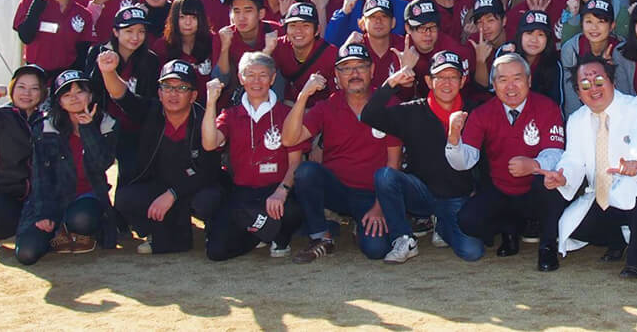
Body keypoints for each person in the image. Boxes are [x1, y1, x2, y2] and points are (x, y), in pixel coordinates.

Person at [540, 55, 637, 279]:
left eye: (599, 81)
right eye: (585, 85)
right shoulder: (576, 119)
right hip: (601, 193)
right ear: (579, 94)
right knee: (572, 226)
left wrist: (635, 160)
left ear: (612, 83)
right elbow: (573, 159)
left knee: (635, 189)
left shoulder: (636, 105)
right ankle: (617, 240)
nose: (594, 89)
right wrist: (562, 176)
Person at [281, 43, 405, 262]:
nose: (354, 73)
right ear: (337, 76)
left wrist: (379, 207)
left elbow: (393, 163)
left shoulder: (389, 104)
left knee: (376, 250)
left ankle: (361, 225)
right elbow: (290, 138)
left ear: (372, 70)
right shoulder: (327, 106)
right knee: (306, 171)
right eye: (346, 68)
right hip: (337, 190)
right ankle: (321, 237)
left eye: (361, 66)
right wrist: (303, 97)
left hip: (372, 193)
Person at [361, 50, 485, 263]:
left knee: (472, 252)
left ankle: (442, 225)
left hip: (457, 198)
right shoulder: (412, 111)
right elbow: (369, 115)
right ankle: (403, 238)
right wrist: (393, 82)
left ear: (463, 81)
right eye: (440, 77)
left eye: (453, 77)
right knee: (385, 176)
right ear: (428, 81)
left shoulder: (475, 112)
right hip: (420, 192)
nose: (447, 83)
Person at [447, 54, 567, 271]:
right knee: (468, 220)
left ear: (529, 81)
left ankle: (547, 245)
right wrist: (454, 139)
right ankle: (509, 230)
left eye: (517, 78)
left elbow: (556, 152)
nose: (510, 86)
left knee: (550, 183)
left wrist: (533, 165)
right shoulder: (483, 113)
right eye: (502, 80)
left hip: (535, 188)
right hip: (501, 187)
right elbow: (464, 162)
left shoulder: (547, 107)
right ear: (494, 84)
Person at [202, 53, 307, 261]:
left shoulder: (286, 113)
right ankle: (261, 232)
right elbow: (209, 143)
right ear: (241, 78)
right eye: (250, 75)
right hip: (243, 193)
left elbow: (296, 162)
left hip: (276, 190)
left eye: (262, 75)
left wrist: (281, 191)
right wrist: (211, 103)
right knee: (216, 252)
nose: (256, 81)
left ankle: (277, 234)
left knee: (292, 210)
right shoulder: (231, 115)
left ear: (273, 78)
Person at [114, 59, 221, 255]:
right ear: (159, 92)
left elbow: (209, 171)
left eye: (181, 88)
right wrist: (107, 71)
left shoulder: (203, 119)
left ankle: (204, 231)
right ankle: (160, 232)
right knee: (125, 199)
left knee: (207, 202)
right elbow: (123, 97)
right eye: (167, 87)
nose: (173, 94)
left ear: (193, 95)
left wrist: (173, 194)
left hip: (194, 185)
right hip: (159, 184)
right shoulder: (150, 111)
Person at [15, 70, 117, 264]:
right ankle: (59, 232)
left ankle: (75, 231)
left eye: (79, 92)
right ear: (59, 102)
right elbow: (39, 175)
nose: (74, 98)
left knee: (81, 220)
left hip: (87, 195)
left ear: (90, 95)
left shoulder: (106, 124)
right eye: (66, 95)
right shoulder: (46, 127)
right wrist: (43, 213)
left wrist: (87, 129)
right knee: (26, 254)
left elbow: (103, 163)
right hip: (51, 198)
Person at [86, 4, 160, 183]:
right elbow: (91, 92)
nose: (135, 37)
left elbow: (147, 104)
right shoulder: (98, 53)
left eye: (141, 31)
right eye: (129, 31)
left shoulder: (150, 60)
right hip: (103, 126)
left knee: (130, 178)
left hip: (134, 131)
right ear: (116, 32)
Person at [13, 0, 97, 77]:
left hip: (64, 80)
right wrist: (38, 2)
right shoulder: (29, 3)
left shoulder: (84, 15)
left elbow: (81, 55)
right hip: (34, 76)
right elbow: (26, 36)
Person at [388, 0, 475, 102]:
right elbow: (402, 100)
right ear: (407, 28)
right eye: (421, 28)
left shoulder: (454, 50)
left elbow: (465, 95)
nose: (428, 34)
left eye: (432, 27)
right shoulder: (401, 51)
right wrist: (406, 75)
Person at [0, 65, 46, 240]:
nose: (27, 93)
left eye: (34, 88)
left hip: (39, 198)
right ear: (12, 88)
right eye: (21, 87)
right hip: (5, 193)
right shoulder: (1, 116)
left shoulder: (48, 120)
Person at [561, 0, 626, 117]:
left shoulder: (622, 50)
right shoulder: (572, 48)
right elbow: (571, 96)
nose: (594, 28)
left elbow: (628, 93)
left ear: (612, 25)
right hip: (583, 114)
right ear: (582, 24)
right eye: (589, 22)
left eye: (601, 22)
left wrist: (611, 70)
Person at [215, 0, 278, 106]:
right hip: (233, 104)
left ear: (261, 13)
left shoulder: (275, 31)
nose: (241, 17)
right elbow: (220, 81)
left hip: (271, 102)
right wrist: (225, 48)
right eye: (236, 11)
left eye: (248, 10)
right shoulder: (224, 35)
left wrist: (267, 52)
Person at [272, 2, 338, 104]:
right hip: (288, 106)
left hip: (320, 111)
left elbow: (338, 97)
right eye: (293, 25)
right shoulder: (277, 46)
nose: (298, 30)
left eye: (305, 25)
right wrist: (267, 51)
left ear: (317, 30)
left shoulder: (330, 54)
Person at [155, 0, 220, 98]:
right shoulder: (162, 45)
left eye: (194, 17)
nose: (188, 23)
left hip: (210, 105)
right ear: (174, 19)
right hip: (175, 106)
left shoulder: (213, 41)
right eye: (182, 17)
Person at [508, 10, 565, 107]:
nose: (534, 40)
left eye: (540, 34)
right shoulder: (507, 56)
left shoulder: (554, 65)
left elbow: (556, 104)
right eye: (529, 33)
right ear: (520, 35)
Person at [351, 0, 403, 90]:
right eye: (373, 16)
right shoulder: (355, 49)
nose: (378, 21)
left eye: (384, 16)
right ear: (362, 23)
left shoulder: (404, 46)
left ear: (393, 22)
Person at [467, 0, 507, 95]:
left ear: (504, 21)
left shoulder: (516, 38)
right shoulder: (474, 42)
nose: (485, 27)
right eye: (479, 22)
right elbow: (482, 89)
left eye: (490, 20)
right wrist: (481, 61)